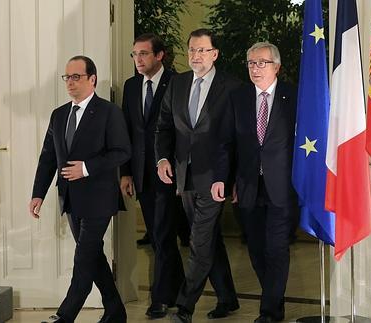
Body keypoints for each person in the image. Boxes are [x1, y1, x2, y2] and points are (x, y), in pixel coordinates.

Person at [29, 55, 131, 323]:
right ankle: (116, 311)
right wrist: (37, 193)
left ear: (92, 79)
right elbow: (48, 157)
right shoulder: (59, 114)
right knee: (93, 256)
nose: (70, 82)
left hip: (99, 198)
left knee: (83, 258)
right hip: (71, 199)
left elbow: (122, 152)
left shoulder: (109, 112)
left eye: (76, 77)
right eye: (67, 77)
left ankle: (64, 316)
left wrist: (86, 167)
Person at [211, 42, 299, 323]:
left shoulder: (294, 96)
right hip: (248, 186)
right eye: (251, 63)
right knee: (256, 248)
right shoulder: (238, 97)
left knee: (276, 247)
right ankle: (275, 299)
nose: (256, 68)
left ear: (277, 67)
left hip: (283, 185)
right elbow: (225, 142)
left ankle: (269, 312)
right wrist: (222, 179)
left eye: (262, 63)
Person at [156, 28, 240, 323]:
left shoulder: (231, 87)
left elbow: (236, 139)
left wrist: (229, 179)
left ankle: (184, 308)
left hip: (215, 178)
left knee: (199, 243)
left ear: (215, 54)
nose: (196, 55)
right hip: (184, 176)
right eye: (192, 49)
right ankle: (228, 298)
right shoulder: (177, 83)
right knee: (207, 239)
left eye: (202, 50)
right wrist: (163, 158)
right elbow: (165, 126)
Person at [119, 33, 185, 319]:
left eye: (144, 54)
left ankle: (159, 299)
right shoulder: (131, 86)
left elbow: (182, 129)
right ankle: (180, 288)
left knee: (161, 232)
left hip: (168, 171)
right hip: (140, 173)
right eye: (135, 54)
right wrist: (125, 173)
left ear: (160, 55)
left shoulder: (178, 83)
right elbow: (126, 134)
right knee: (162, 237)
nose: (138, 60)